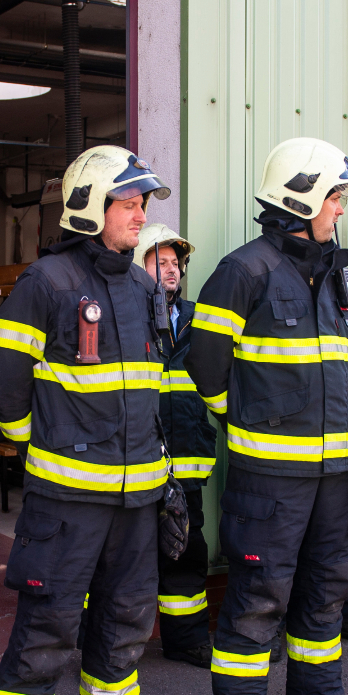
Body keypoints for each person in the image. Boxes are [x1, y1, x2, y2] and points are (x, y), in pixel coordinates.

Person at [0, 145, 174, 695]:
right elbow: (4, 389)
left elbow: (155, 391)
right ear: (91, 207)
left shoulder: (147, 289)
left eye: (142, 202)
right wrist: (45, 450)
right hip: (66, 504)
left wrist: (162, 477)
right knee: (48, 630)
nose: (140, 212)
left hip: (134, 501)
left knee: (124, 626)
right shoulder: (47, 282)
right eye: (128, 202)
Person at [187, 137, 348, 695]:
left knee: (328, 587)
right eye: (334, 197)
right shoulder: (244, 271)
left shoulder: (334, 273)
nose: (341, 210)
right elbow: (206, 368)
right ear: (301, 198)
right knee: (259, 594)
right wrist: (246, 427)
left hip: (333, 473)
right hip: (270, 476)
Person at [134, 224, 218, 669]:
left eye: (175, 264)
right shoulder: (122, 316)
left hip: (185, 466)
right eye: (160, 262)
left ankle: (185, 641)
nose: (171, 271)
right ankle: (101, 647)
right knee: (122, 559)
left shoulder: (197, 319)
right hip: (132, 466)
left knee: (187, 553)